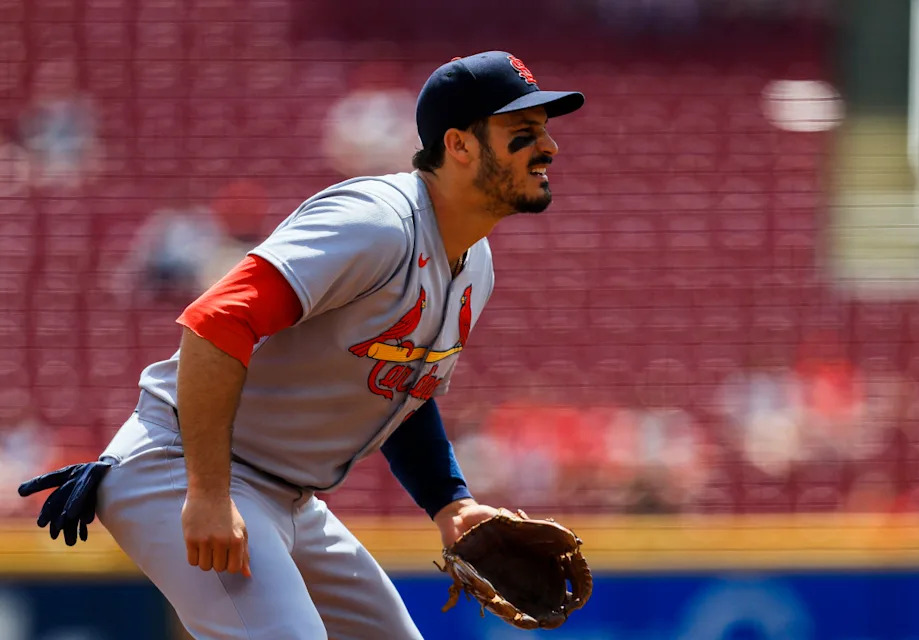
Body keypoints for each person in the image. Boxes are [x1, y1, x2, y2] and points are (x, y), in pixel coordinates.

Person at [18, 51, 584, 639]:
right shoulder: (376, 221)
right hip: (183, 467)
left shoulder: (476, 264)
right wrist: (207, 494)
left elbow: (399, 390)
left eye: (543, 131)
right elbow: (216, 321)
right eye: (523, 133)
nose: (548, 148)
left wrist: (452, 504)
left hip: (287, 497)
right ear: (460, 145)